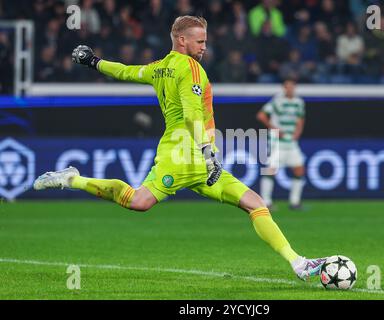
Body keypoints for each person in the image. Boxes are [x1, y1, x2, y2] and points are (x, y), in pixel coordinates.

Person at [33, 16, 326, 280]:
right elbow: (191, 114)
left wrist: (94, 62)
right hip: (185, 156)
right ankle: (72, 179)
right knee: (139, 201)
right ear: (182, 40)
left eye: (206, 42)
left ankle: (298, 263)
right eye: (200, 42)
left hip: (195, 157)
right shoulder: (191, 68)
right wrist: (209, 153)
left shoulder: (159, 68)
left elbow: (124, 71)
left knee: (255, 203)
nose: (204, 47)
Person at [257, 78, 306, 211]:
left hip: (291, 141)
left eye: (292, 86)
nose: (289, 89)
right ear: (284, 88)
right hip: (276, 142)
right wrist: (273, 128)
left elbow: (300, 119)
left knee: (299, 169)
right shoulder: (277, 101)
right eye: (287, 87)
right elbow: (261, 115)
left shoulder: (299, 102)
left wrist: (298, 132)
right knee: (271, 169)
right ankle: (266, 202)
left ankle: (294, 202)